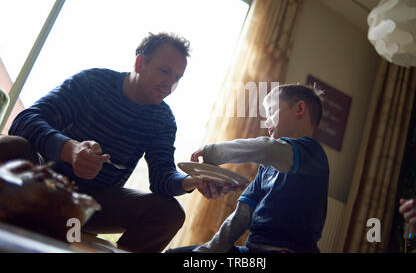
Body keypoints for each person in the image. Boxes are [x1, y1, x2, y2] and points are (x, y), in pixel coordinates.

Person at [0, 32, 242, 252]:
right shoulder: (93, 83)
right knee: (12, 146)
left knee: (169, 213)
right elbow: (25, 120)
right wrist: (70, 149)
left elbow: (162, 178)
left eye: (177, 77)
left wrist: (193, 181)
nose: (170, 85)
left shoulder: (162, 119)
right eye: (164, 71)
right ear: (140, 63)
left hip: (93, 205)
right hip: (40, 185)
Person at [167, 83, 329, 253]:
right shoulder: (266, 168)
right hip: (252, 250)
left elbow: (266, 149)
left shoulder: (312, 154)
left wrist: (211, 152)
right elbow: (242, 215)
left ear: (299, 109)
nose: (267, 122)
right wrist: (210, 249)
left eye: (272, 111)